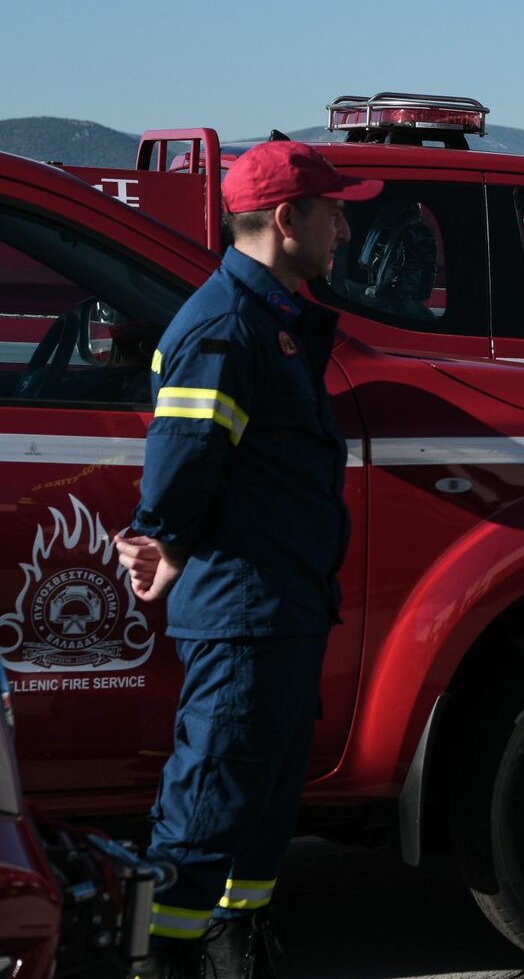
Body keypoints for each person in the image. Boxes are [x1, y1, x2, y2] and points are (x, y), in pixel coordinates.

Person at [115, 141, 381, 978]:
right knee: (209, 802)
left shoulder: (268, 322)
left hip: (281, 607)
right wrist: (163, 538)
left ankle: (240, 944)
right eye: (334, 209)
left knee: (262, 804)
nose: (345, 225)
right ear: (284, 218)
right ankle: (163, 958)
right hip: (243, 611)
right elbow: (183, 462)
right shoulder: (228, 328)